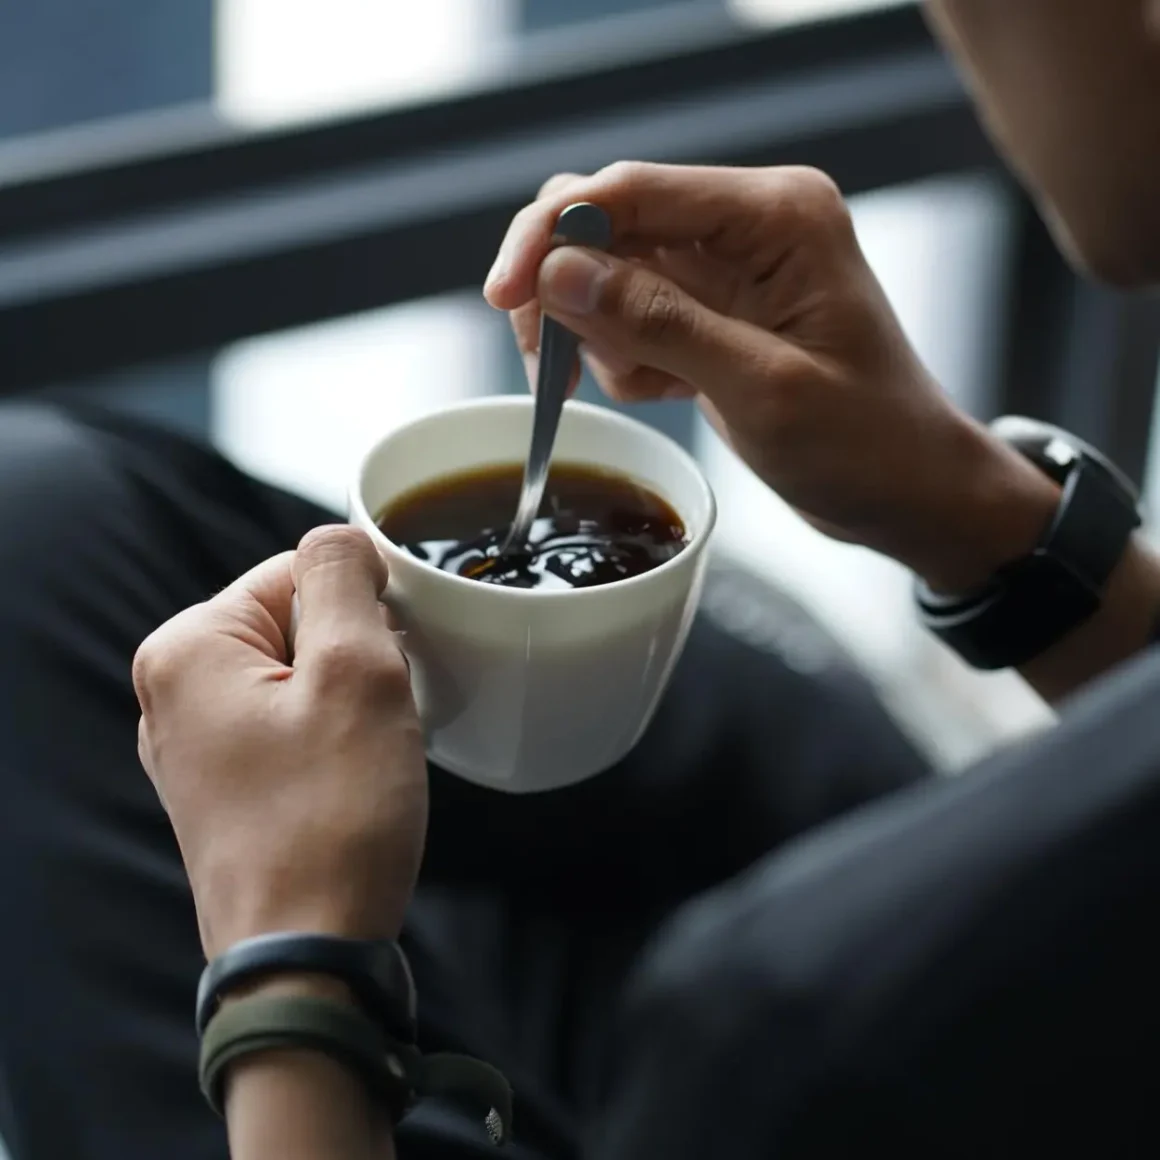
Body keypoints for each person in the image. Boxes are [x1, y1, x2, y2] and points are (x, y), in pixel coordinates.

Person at [4, 1, 1160, 1158]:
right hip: (919, 833)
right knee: (32, 517)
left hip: (760, 1071)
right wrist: (972, 510)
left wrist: (288, 969)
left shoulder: (786, 1023)